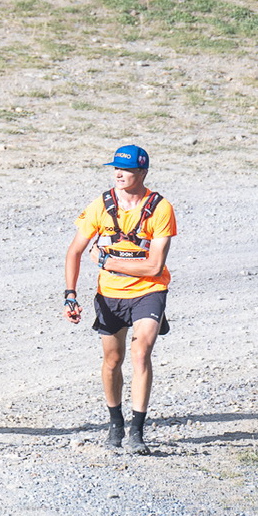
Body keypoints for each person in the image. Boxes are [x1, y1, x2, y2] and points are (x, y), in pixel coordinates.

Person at [62, 144, 176, 454]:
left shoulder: (161, 208)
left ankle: (136, 431)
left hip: (148, 291)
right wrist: (70, 294)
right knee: (112, 360)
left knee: (142, 352)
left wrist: (109, 262)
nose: (119, 174)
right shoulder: (101, 205)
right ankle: (116, 423)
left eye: (125, 169)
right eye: (115, 168)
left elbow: (154, 266)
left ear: (142, 172)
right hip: (109, 294)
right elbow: (74, 250)